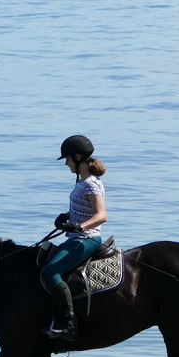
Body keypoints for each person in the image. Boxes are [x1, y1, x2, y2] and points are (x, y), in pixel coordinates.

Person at [41, 135, 108, 342]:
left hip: (86, 239)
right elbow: (84, 209)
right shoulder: (83, 182)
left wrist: (79, 226)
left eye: (68, 160)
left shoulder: (90, 185)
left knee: (51, 271)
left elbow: (101, 215)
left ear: (78, 157)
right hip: (77, 237)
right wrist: (68, 216)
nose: (67, 164)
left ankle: (69, 325)